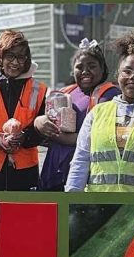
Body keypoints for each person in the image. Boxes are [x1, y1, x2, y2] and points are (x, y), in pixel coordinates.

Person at [65, 29, 134, 192]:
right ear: (118, 75)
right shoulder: (97, 113)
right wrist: (72, 198)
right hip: (95, 204)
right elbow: (81, 160)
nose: (133, 77)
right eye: (127, 71)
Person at [35, 39, 120, 191]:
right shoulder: (66, 92)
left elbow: (94, 138)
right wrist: (39, 122)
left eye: (92, 66)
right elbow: (44, 123)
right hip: (53, 170)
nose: (85, 71)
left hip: (81, 175)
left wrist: (54, 135)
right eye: (79, 67)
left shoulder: (110, 95)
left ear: (103, 69)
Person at [0, 29, 48, 191]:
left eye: (21, 57)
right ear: (0, 58)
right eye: (10, 56)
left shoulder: (39, 89)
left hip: (25, 171)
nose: (15, 62)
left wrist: (24, 137)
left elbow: (42, 132)